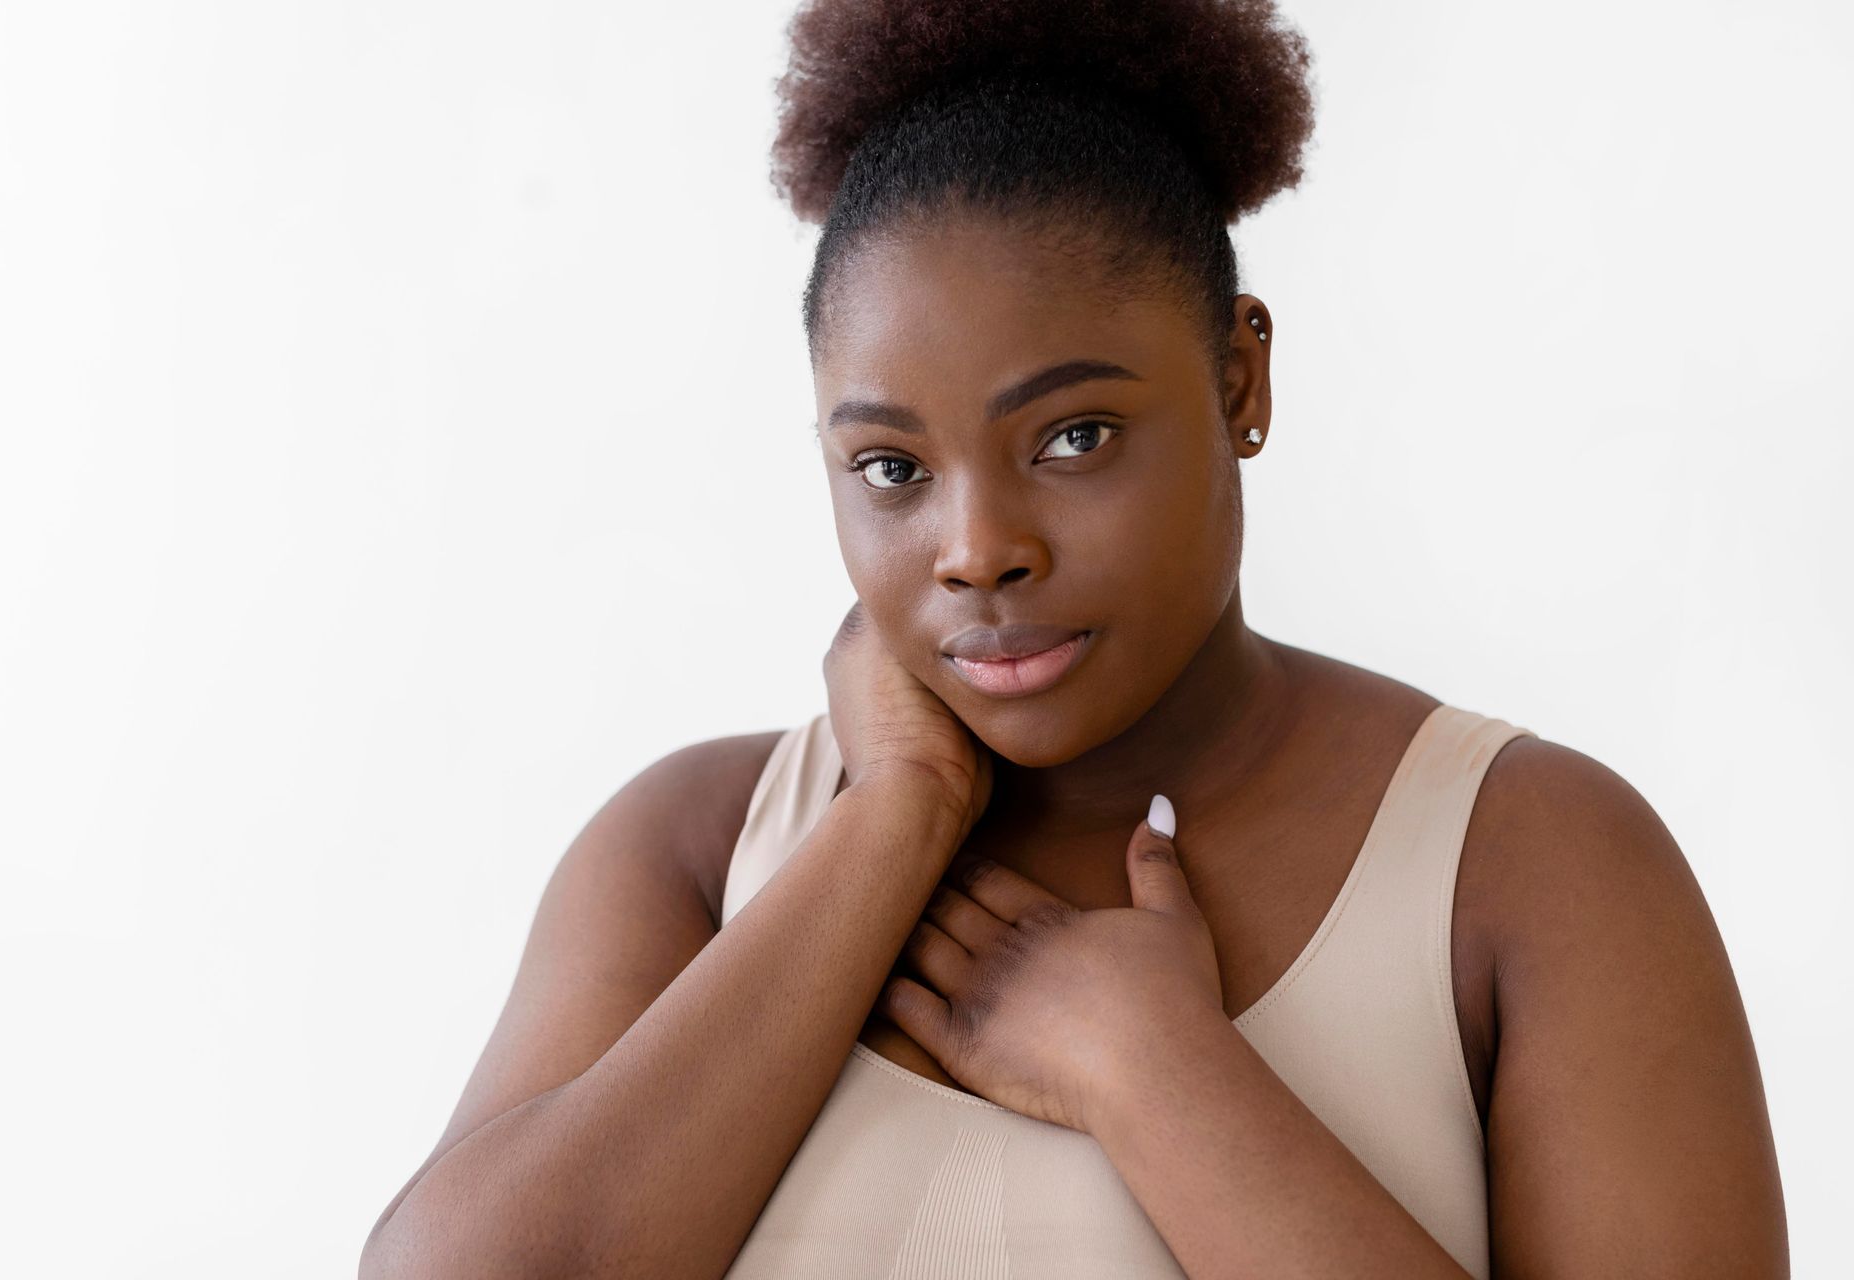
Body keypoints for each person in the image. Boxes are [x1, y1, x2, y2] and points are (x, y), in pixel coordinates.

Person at [359, 1, 1788, 1275]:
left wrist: (1155, 1075)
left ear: (1241, 380)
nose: (978, 549)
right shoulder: (696, 848)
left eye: (1073, 435)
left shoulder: (1532, 864)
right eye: (892, 470)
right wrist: (890, 825)